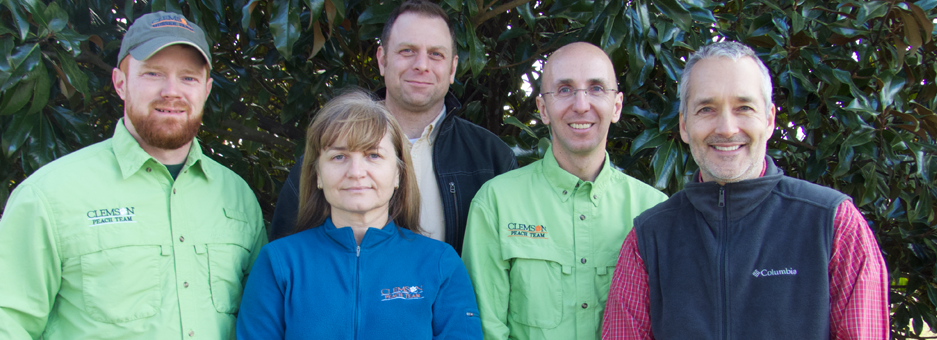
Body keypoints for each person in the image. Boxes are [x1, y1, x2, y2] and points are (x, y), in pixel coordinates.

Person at [0, 11, 267, 339]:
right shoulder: (48, 195)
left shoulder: (237, 197)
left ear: (207, 89)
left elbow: (261, 321)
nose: (172, 91)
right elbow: (9, 323)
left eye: (188, 78)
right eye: (153, 74)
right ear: (120, 83)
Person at [601, 41, 889, 340]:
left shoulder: (833, 223)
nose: (726, 127)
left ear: (769, 120)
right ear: (685, 126)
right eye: (707, 109)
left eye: (744, 108)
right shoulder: (649, 237)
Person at [269, 0, 517, 254]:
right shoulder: (329, 155)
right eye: (407, 51)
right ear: (382, 59)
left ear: (452, 68)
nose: (422, 65)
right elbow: (285, 257)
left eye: (435, 54)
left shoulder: (492, 157)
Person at [461, 42, 668, 340]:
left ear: (617, 106)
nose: (581, 105)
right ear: (543, 109)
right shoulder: (496, 203)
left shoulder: (655, 211)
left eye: (596, 88)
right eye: (565, 89)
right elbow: (485, 329)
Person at [236, 90, 482, 339]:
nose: (356, 172)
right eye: (339, 156)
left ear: (398, 173)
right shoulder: (278, 263)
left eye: (373, 155)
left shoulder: (440, 263)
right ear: (318, 175)